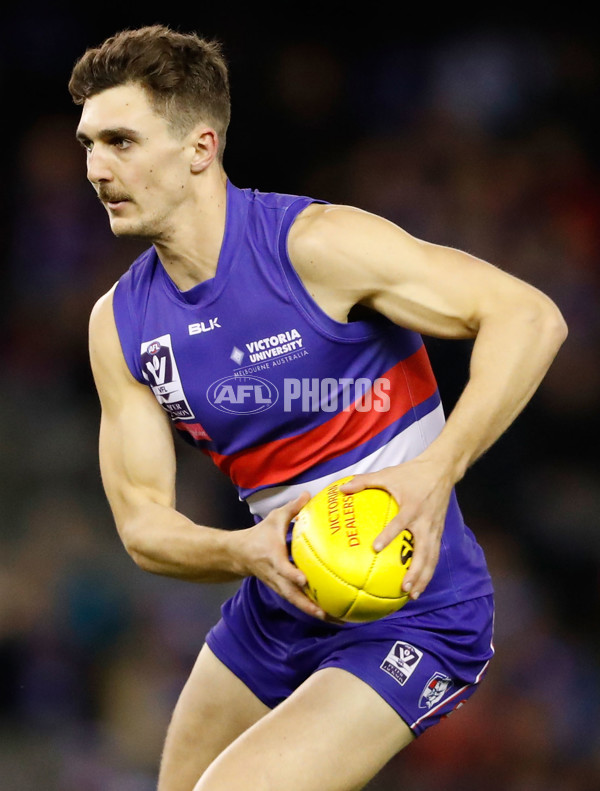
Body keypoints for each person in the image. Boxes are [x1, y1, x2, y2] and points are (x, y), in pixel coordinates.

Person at [68, 25, 567, 791]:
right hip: (278, 600)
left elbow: (530, 317)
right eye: (89, 144)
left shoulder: (317, 247)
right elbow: (142, 526)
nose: (97, 168)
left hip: (415, 608)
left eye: (122, 141)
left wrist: (436, 471)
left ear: (200, 147)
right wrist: (248, 551)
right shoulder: (121, 324)